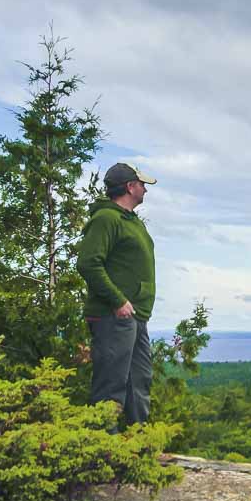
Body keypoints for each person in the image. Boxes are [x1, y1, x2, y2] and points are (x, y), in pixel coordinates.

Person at [76, 162, 158, 425]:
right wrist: (118, 300)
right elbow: (88, 263)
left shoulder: (131, 222)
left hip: (134, 315)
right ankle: (103, 449)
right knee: (110, 386)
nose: (145, 189)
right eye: (142, 184)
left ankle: (139, 447)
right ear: (130, 186)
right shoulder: (106, 219)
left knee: (139, 382)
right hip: (114, 315)